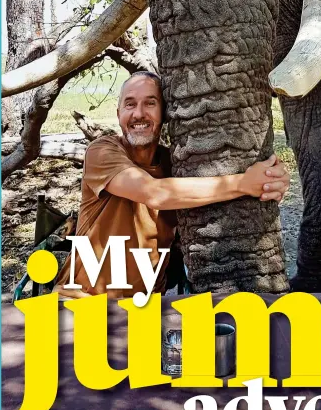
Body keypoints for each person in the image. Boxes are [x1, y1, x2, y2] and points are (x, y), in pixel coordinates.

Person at [54, 71, 290, 299]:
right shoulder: (102, 151)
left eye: (150, 103)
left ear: (164, 112)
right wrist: (244, 183)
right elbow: (154, 193)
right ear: (118, 114)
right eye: (130, 104)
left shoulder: (176, 164)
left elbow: (208, 187)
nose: (139, 114)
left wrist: (272, 178)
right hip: (80, 301)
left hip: (144, 310)